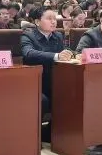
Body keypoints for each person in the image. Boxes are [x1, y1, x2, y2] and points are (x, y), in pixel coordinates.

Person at [21, 7, 74, 142]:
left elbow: (65, 51)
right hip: (35, 82)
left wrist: (70, 54)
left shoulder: (58, 36)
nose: (53, 22)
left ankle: (50, 132)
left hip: (53, 80)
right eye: (49, 18)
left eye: (54, 18)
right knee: (42, 100)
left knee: (71, 94)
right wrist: (56, 56)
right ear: (37, 22)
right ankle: (32, 136)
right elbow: (28, 53)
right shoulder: (28, 36)